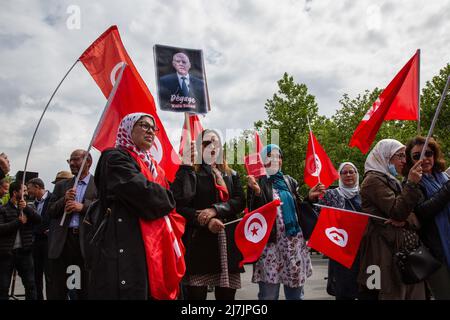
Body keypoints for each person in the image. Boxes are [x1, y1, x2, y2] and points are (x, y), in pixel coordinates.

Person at [88, 113, 179, 300]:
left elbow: (163, 197)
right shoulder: (113, 157)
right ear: (128, 128)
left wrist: (166, 195)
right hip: (123, 246)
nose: (150, 131)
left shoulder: (153, 166)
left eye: (153, 128)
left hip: (151, 246)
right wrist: (167, 199)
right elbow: (144, 194)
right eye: (144, 125)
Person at [172, 129, 245, 300]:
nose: (212, 146)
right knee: (196, 297)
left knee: (227, 297)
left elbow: (240, 201)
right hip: (199, 243)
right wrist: (204, 219)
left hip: (227, 242)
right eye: (206, 143)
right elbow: (178, 205)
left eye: (216, 142)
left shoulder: (231, 174)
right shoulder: (190, 172)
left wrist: (215, 210)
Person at [247, 144, 318, 300]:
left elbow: (298, 208)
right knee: (268, 295)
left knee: (295, 294)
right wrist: (257, 193)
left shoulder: (289, 181)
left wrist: (309, 198)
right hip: (270, 246)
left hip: (293, 244)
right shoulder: (257, 182)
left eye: (278, 156)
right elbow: (254, 214)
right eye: (270, 156)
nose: (275, 159)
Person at [357, 139, 426, 300]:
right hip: (384, 252)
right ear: (385, 156)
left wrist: (406, 221)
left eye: (404, 156)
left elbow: (412, 216)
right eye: (400, 156)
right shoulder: (373, 181)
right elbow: (398, 211)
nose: (404, 160)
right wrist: (411, 184)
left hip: (399, 250)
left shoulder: (390, 180)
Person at [404, 136, 450, 299]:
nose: (424, 159)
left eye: (428, 153)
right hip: (436, 252)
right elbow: (423, 212)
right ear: (410, 160)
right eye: (417, 156)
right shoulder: (411, 183)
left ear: (435, 155)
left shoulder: (443, 177)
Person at [47, 149, 97, 300]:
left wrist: (83, 207)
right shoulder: (62, 186)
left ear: (88, 162)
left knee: (83, 288)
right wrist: (64, 199)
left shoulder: (99, 184)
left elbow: (104, 209)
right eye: (71, 160)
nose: (72, 164)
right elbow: (50, 211)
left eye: (76, 160)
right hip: (63, 243)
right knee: (60, 288)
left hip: (85, 243)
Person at [313, 162, 362, 300]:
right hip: (340, 252)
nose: (348, 175)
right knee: (343, 291)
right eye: (344, 172)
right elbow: (316, 215)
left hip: (362, 251)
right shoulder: (330, 195)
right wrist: (312, 199)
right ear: (339, 176)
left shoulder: (365, 194)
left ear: (357, 174)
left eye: (351, 172)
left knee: (363, 290)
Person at [0, 181, 41, 300]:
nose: (26, 193)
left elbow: (39, 220)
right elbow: (1, 229)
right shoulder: (3, 209)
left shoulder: (30, 207)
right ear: (15, 193)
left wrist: (26, 208)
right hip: (7, 254)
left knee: (30, 285)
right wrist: (18, 222)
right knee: (3, 287)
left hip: (25, 253)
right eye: (23, 191)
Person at [26, 178, 55, 300]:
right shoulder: (33, 204)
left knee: (50, 276)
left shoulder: (53, 198)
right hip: (36, 242)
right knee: (36, 275)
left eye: (29, 189)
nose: (28, 192)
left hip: (49, 242)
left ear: (37, 187)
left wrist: (53, 229)